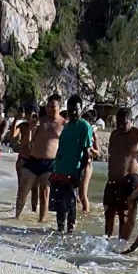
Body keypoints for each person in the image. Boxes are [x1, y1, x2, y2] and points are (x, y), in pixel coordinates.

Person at [104, 108, 138, 241]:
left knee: (124, 215)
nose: (120, 126)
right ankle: (106, 242)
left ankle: (122, 243)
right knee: (109, 212)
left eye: (124, 123)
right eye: (118, 123)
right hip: (113, 179)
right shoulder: (114, 135)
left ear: (131, 121)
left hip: (130, 179)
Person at [14, 94, 64, 220]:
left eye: (53, 107)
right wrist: (31, 128)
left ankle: (41, 221)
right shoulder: (40, 121)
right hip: (33, 159)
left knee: (44, 192)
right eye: (48, 107)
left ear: (59, 107)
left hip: (50, 163)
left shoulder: (64, 124)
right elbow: (27, 143)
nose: (50, 109)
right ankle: (16, 217)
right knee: (22, 190)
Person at [50, 95, 94, 234]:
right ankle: (59, 231)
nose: (73, 113)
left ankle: (70, 232)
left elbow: (86, 153)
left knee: (71, 204)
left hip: (73, 171)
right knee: (59, 206)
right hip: (59, 170)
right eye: (70, 110)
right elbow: (61, 150)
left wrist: (80, 174)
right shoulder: (67, 126)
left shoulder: (84, 127)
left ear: (81, 110)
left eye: (76, 110)